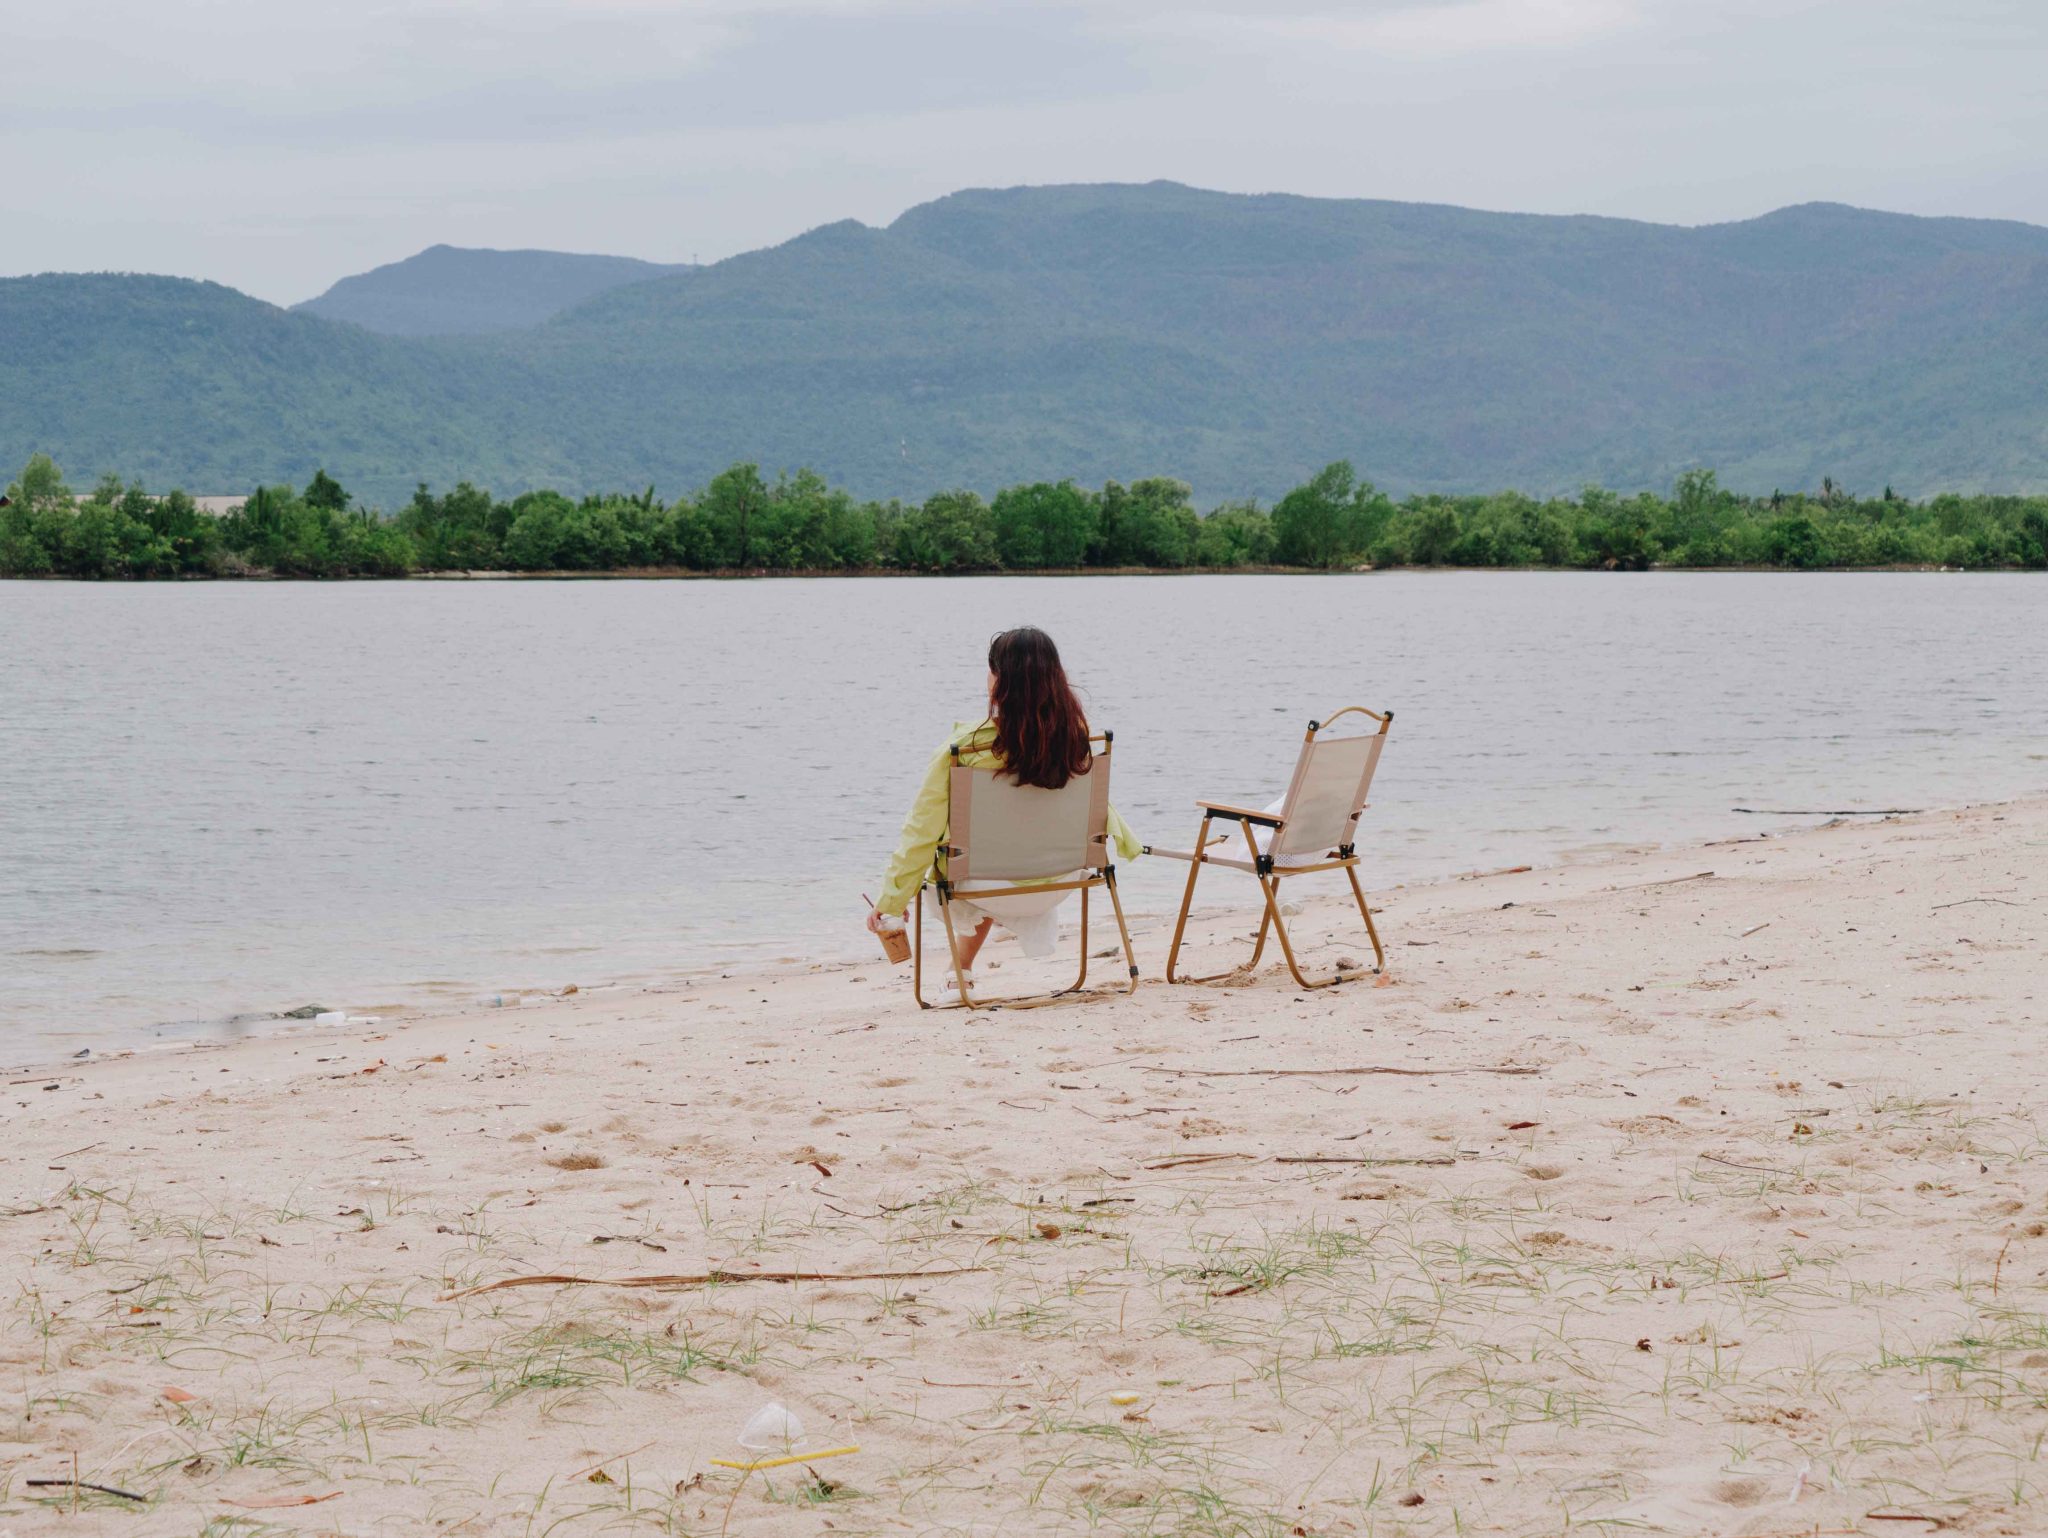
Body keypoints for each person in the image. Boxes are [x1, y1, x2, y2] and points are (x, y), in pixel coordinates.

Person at [866, 627, 1139, 985]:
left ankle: (960, 971)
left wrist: (891, 899)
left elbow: (920, 835)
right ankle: (959, 968)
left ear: (999, 680)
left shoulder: (965, 751)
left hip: (987, 882)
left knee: (969, 855)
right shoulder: (1078, 738)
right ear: (1056, 678)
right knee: (999, 848)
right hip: (1063, 879)